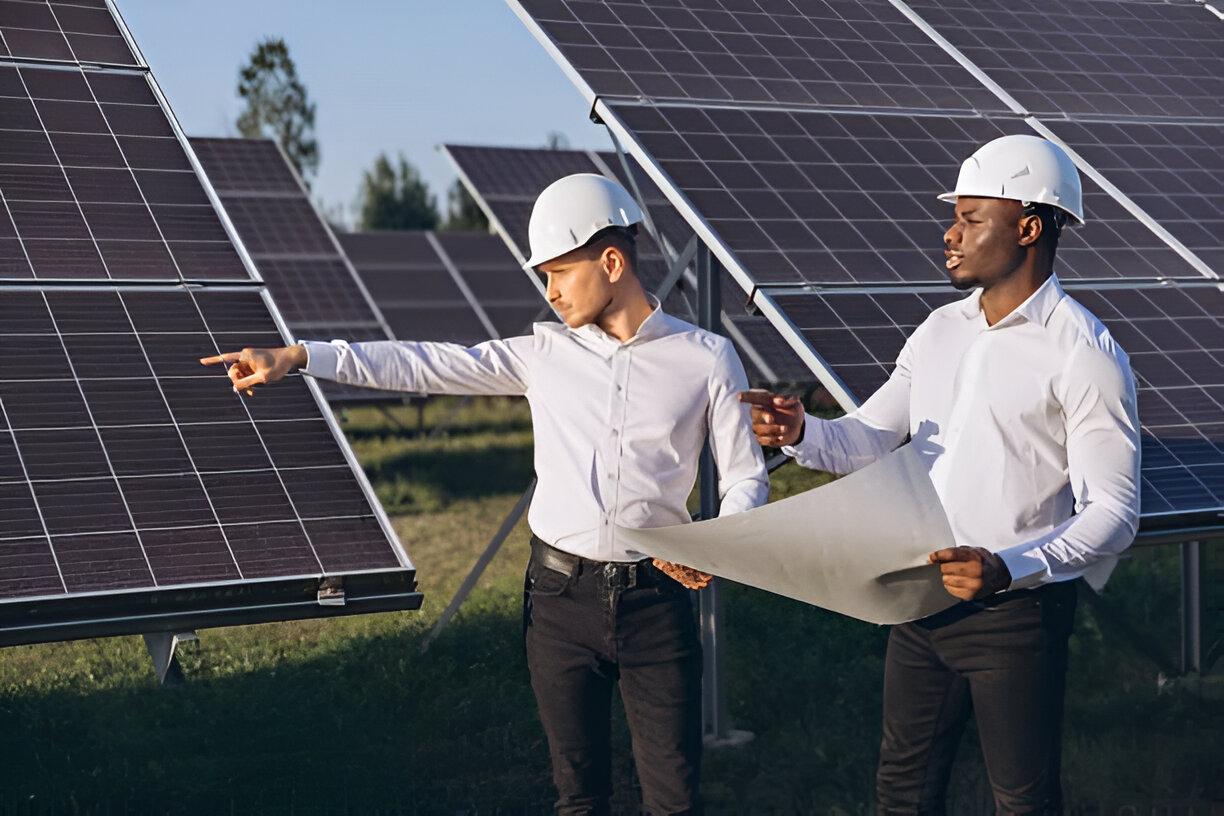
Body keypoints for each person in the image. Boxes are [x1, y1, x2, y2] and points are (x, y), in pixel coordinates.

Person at [202, 172, 769, 815]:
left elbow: (748, 475)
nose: (550, 292)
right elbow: (425, 362)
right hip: (559, 605)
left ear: (611, 262)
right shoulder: (542, 355)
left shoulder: (708, 359)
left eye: (559, 273)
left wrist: (717, 541)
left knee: (674, 803)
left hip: (657, 607)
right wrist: (303, 356)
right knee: (579, 798)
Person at [741, 135, 1141, 814]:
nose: (949, 234)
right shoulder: (936, 332)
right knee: (901, 792)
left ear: (1029, 227)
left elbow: (1113, 514)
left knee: (1022, 799)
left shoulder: (1085, 354)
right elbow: (870, 439)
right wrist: (802, 434)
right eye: (953, 216)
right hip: (920, 604)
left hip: (1016, 618)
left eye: (970, 218)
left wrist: (1007, 566)